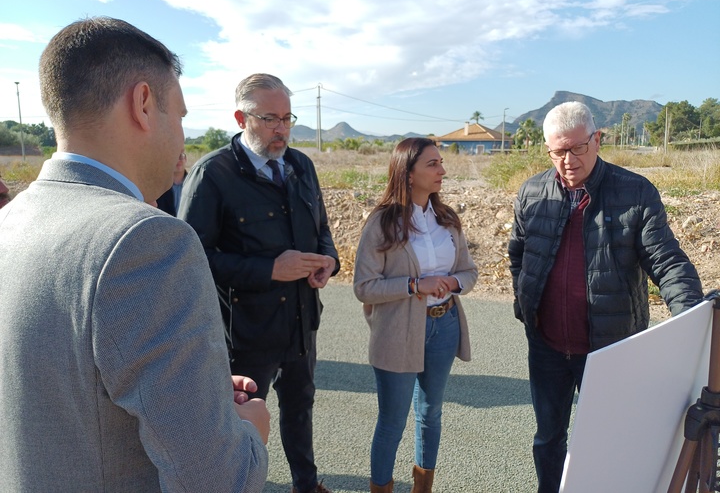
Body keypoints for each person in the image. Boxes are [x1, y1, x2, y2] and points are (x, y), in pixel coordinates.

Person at [0, 17, 270, 491]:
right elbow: (218, 479)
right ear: (144, 104)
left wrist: (194, 394)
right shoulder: (146, 240)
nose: (183, 139)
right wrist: (250, 430)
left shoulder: (13, 220)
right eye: (181, 116)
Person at [508, 101, 703, 493]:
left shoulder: (635, 193)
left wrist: (691, 321)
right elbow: (518, 254)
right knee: (548, 437)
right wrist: (526, 305)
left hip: (609, 349)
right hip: (546, 347)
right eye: (558, 151)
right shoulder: (532, 193)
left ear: (598, 140)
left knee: (612, 441)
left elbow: (666, 262)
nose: (567, 160)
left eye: (577, 148)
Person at [178, 73, 339, 493]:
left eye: (287, 117)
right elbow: (191, 259)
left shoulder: (300, 165)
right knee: (242, 422)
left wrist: (329, 262)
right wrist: (269, 270)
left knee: (300, 408)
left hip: (301, 321)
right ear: (241, 117)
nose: (282, 128)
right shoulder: (213, 174)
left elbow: (321, 229)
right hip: (246, 332)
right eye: (270, 118)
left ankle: (307, 484)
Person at [353, 137, 478, 493]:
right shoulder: (381, 223)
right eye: (432, 164)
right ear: (407, 173)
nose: (442, 170)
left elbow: (469, 272)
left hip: (446, 324)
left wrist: (451, 282)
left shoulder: (447, 219)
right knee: (392, 422)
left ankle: (422, 489)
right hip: (397, 332)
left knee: (431, 414)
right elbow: (364, 286)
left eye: (441, 162)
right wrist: (413, 286)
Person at [157, 151, 188, 215]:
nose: (178, 160)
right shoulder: (159, 186)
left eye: (181, 156)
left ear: (185, 159)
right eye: (175, 157)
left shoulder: (193, 184)